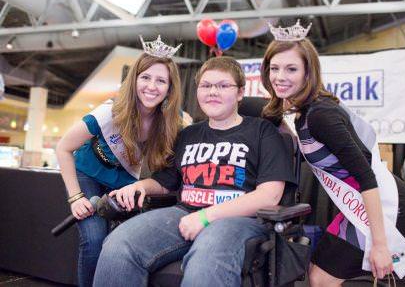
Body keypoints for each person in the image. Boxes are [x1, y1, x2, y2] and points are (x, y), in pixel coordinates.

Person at [92, 56, 296, 287]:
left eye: (223, 86)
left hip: (239, 219)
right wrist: (139, 186)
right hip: (184, 214)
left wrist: (206, 216)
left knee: (206, 261)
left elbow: (270, 195)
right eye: (206, 85)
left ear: (240, 93)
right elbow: (166, 182)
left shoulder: (263, 131)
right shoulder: (188, 134)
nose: (213, 92)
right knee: (118, 245)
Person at [260, 19, 405, 286]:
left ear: (307, 72)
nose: (280, 77)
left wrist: (379, 245)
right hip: (359, 205)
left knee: (321, 279)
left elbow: (366, 177)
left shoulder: (321, 113)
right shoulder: (304, 112)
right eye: (274, 68)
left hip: (389, 204)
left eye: (291, 69)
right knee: (316, 274)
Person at [55, 35, 182, 287]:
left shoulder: (172, 123)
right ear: (134, 79)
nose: (151, 86)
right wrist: (75, 198)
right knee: (94, 238)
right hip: (88, 176)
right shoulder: (108, 112)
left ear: (170, 88)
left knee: (129, 239)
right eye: (145, 77)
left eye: (160, 80)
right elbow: (63, 148)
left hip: (125, 183)